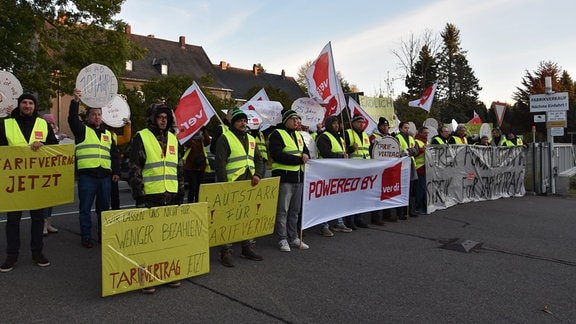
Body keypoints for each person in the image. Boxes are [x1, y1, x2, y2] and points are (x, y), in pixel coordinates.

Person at [129, 103, 185, 294]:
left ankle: (167, 274)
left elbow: (179, 167)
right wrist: (139, 195)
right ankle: (146, 278)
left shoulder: (173, 139)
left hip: (170, 194)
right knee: (148, 241)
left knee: (167, 239)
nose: (163, 120)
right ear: (153, 118)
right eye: (160, 116)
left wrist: (181, 191)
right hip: (150, 196)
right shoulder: (141, 137)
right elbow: (135, 168)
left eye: (166, 117)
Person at [0, 93, 58, 272]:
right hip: (14, 183)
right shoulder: (5, 124)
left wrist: (43, 145)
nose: (27, 106)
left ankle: (37, 253)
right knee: (13, 221)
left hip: (36, 182)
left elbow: (55, 148)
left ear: (35, 106)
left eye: (30, 103)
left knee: (38, 219)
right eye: (24, 103)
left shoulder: (43, 124)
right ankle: (11, 256)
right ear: (19, 105)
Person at [68, 88, 120, 248]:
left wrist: (116, 171)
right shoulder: (82, 130)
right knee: (85, 208)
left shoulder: (107, 134)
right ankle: (86, 236)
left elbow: (114, 154)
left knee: (103, 209)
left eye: (99, 114)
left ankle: (103, 235)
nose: (96, 117)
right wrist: (76, 101)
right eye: (93, 114)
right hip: (87, 177)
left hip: (104, 177)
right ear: (88, 117)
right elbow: (72, 119)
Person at [214, 108, 265, 267]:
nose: (243, 123)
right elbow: (220, 163)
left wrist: (258, 174)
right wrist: (223, 184)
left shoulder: (251, 139)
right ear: (233, 122)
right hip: (232, 183)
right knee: (228, 218)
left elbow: (258, 159)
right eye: (240, 120)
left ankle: (247, 247)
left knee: (247, 215)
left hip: (249, 183)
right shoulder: (225, 138)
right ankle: (226, 251)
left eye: (245, 121)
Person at [269, 110, 310, 252]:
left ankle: (293, 237)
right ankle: (282, 239)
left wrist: (305, 154)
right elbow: (277, 154)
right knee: (283, 211)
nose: (296, 121)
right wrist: (298, 160)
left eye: (298, 119)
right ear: (285, 120)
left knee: (295, 210)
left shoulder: (299, 135)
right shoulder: (277, 134)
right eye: (293, 119)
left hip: (298, 177)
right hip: (284, 177)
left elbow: (306, 152)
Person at [316, 115, 353, 236]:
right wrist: (341, 156)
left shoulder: (340, 138)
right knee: (325, 200)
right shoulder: (323, 137)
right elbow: (326, 153)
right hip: (327, 172)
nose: (336, 125)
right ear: (328, 125)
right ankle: (324, 225)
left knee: (339, 198)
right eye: (334, 123)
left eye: (337, 123)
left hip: (339, 172)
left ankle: (339, 223)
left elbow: (343, 152)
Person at [344, 114, 370, 229]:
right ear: (353, 123)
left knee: (361, 195)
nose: (361, 124)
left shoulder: (365, 134)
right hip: (353, 168)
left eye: (363, 122)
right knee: (352, 195)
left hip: (364, 168)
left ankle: (358, 218)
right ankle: (350, 220)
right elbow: (343, 150)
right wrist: (350, 149)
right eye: (359, 122)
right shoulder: (348, 133)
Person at [369, 117, 397, 224]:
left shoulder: (390, 137)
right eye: (384, 126)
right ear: (379, 127)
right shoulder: (374, 136)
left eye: (387, 126)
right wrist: (374, 144)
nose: (386, 128)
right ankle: (376, 217)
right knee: (376, 193)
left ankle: (387, 213)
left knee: (387, 192)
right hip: (377, 168)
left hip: (388, 168)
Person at [41, 113, 65, 235]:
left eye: (51, 123)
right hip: (43, 171)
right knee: (44, 200)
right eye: (48, 123)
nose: (50, 125)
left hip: (53, 170)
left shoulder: (55, 133)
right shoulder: (40, 132)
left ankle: (48, 223)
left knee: (51, 200)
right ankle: (43, 224)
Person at [395, 121, 419, 220]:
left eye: (408, 128)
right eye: (405, 128)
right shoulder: (397, 138)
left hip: (411, 164)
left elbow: (416, 150)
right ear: (400, 128)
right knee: (402, 189)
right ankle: (400, 212)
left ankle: (409, 210)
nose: (407, 129)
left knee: (410, 188)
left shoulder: (411, 138)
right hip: (402, 165)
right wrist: (409, 151)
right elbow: (397, 151)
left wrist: (410, 151)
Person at [183, 126, 211, 203]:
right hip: (190, 167)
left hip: (201, 166)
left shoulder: (202, 137)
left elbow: (207, 142)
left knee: (200, 189)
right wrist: (191, 134)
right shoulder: (189, 136)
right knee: (193, 187)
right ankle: (190, 204)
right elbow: (187, 144)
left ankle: (198, 203)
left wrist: (204, 130)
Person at [413, 126, 429, 215]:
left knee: (424, 189)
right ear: (420, 133)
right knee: (420, 189)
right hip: (419, 168)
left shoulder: (427, 141)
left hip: (427, 168)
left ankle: (423, 205)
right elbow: (413, 154)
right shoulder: (416, 141)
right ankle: (419, 207)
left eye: (427, 133)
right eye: (425, 133)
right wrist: (421, 150)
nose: (426, 134)